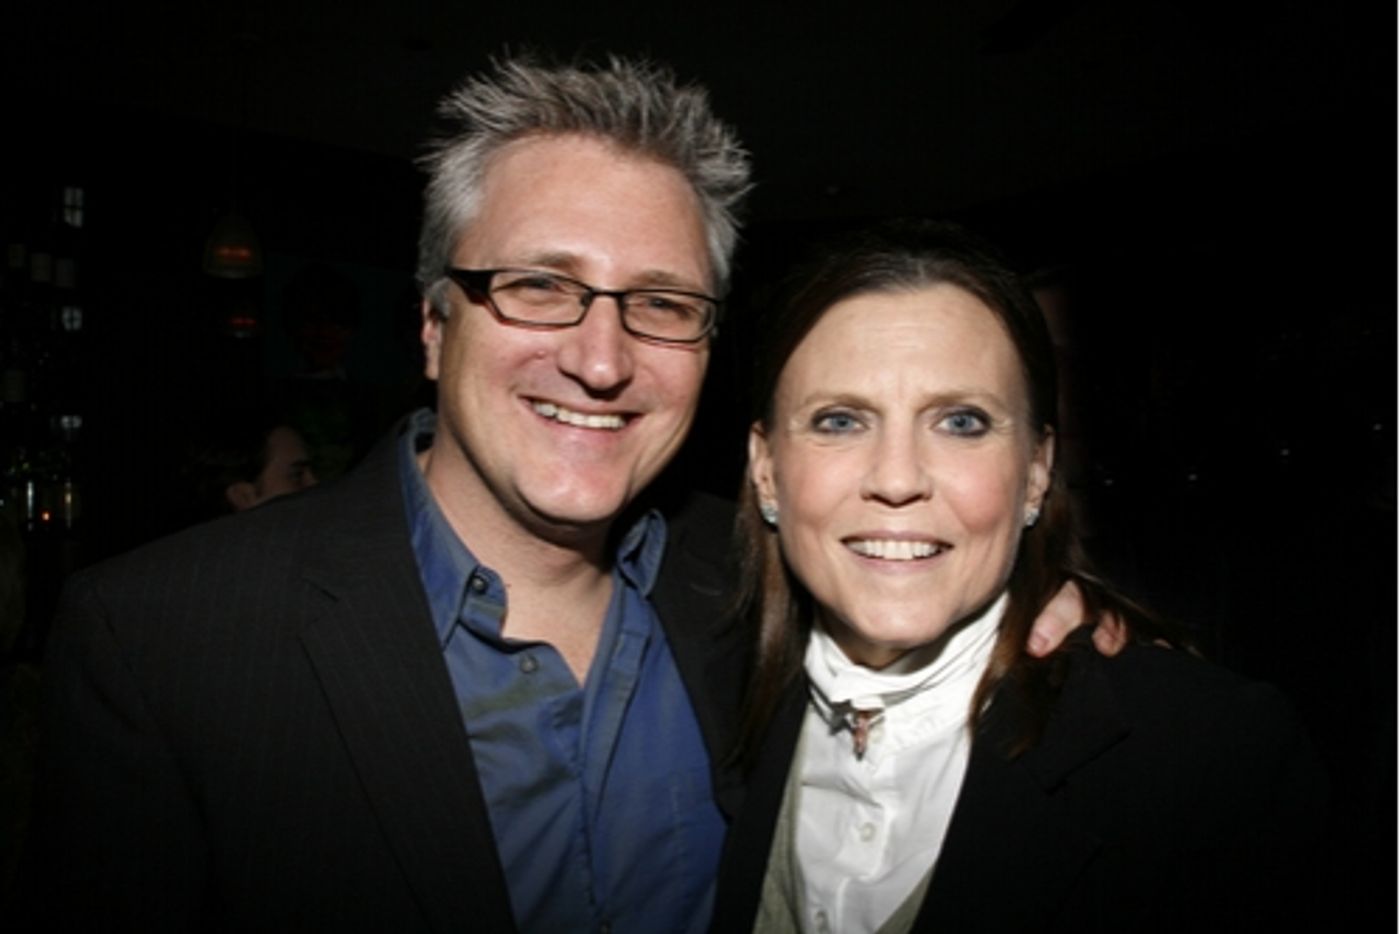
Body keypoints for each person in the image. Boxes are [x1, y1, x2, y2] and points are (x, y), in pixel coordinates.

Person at [25, 58, 1099, 931]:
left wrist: (1036, 609)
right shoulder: (164, 642)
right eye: (539, 286)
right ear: (433, 327)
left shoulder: (769, 574)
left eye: (661, 303)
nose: (600, 359)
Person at [710, 220, 1327, 933]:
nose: (898, 479)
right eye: (841, 421)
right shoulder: (707, 683)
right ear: (766, 470)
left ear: (1036, 472)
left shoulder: (1212, 758)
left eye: (961, 422)